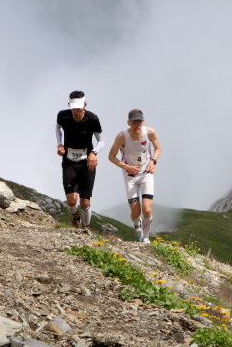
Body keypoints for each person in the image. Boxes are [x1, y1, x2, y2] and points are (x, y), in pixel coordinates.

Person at [108, 109, 161, 243]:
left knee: (147, 209)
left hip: (146, 175)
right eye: (134, 122)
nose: (137, 125)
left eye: (139, 122)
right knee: (136, 212)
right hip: (130, 177)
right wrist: (127, 167)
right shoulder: (121, 137)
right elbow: (111, 156)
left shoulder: (150, 132)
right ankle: (137, 224)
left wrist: (153, 161)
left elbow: (158, 148)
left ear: (143, 122)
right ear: (128, 123)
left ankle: (146, 237)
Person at [56, 91, 104, 231]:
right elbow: (57, 127)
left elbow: (101, 140)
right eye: (73, 108)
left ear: (85, 105)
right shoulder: (63, 116)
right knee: (71, 200)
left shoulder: (92, 118)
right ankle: (75, 217)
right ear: (69, 105)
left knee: (84, 201)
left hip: (87, 162)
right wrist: (59, 144)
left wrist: (94, 153)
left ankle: (85, 227)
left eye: (79, 108)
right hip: (69, 161)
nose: (76, 112)